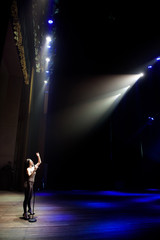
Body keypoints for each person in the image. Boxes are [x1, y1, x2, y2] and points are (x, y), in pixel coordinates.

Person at [23, 152, 41, 220]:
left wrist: (38, 156)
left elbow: (39, 162)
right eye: (31, 161)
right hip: (28, 183)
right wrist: (34, 170)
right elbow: (29, 175)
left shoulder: (33, 167)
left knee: (30, 197)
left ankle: (29, 210)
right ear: (29, 163)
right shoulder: (28, 169)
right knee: (26, 198)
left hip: (32, 183)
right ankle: (25, 213)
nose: (32, 161)